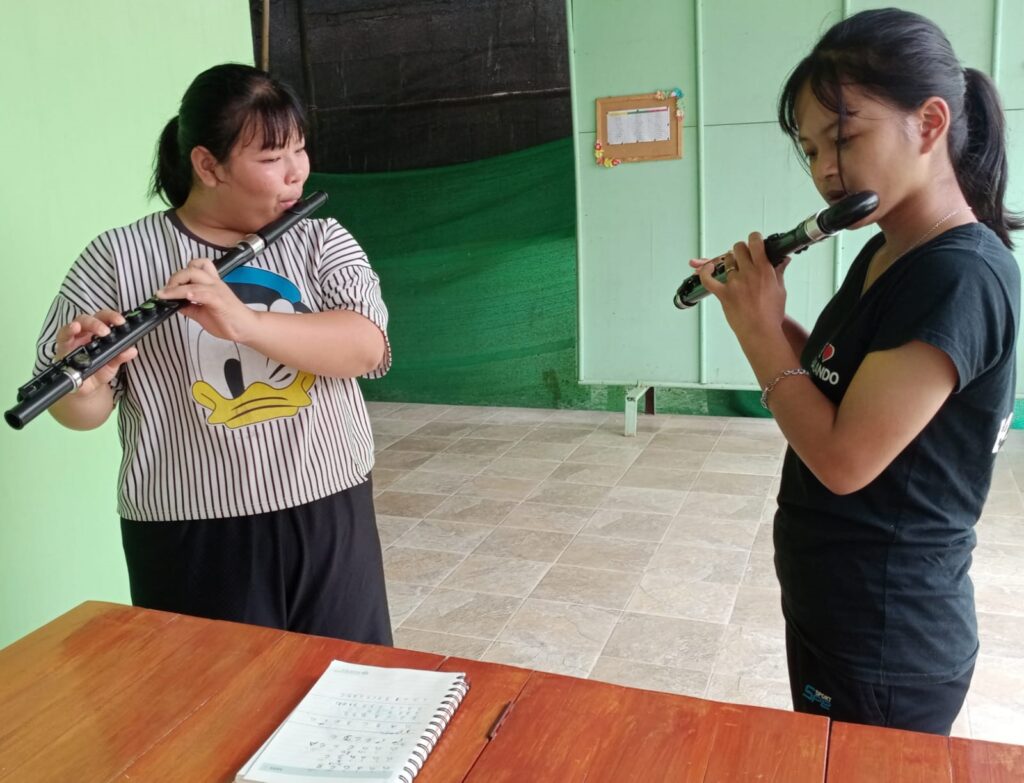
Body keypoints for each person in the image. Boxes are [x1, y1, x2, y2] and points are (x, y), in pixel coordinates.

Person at [691, 8, 1021, 734]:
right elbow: (836, 381)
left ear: (929, 123)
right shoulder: (887, 249)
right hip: (841, 612)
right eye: (810, 150)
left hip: (887, 638)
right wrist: (765, 315)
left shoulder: (959, 275)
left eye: (844, 139)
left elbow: (845, 459)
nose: (825, 171)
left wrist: (758, 337)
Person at [34, 63, 393, 645]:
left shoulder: (319, 238)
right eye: (272, 157)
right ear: (207, 165)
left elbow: (365, 347)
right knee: (215, 696)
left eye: (299, 149)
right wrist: (88, 383)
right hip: (189, 529)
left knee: (347, 679)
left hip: (328, 504)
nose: (296, 171)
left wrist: (246, 322)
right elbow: (79, 415)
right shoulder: (118, 257)